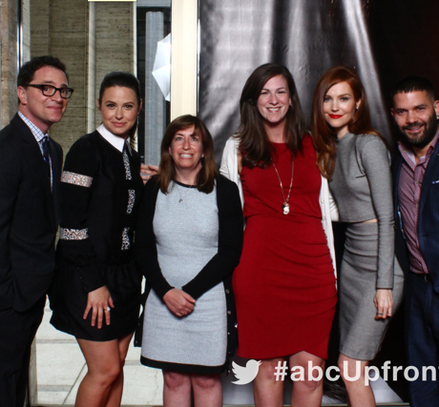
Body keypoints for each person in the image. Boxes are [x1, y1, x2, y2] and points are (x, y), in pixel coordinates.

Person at [220, 63, 337, 407]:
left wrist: (373, 215)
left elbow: (330, 204)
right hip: (260, 273)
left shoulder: (315, 143)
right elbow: (223, 208)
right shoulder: (237, 147)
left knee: (309, 370)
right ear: (253, 101)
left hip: (313, 270)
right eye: (264, 93)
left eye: (280, 91)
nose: (273, 100)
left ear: (291, 99)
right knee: (269, 368)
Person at [310, 65, 404, 406]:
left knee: (350, 366)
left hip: (380, 267)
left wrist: (384, 285)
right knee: (349, 366)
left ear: (358, 103)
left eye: (344, 98)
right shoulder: (332, 149)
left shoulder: (369, 144)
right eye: (328, 99)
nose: (335, 106)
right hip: (351, 265)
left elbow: (387, 219)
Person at [135, 115, 243, 407]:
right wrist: (167, 292)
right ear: (169, 148)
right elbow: (143, 247)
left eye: (194, 138)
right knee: (174, 379)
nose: (186, 145)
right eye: (178, 138)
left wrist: (189, 293)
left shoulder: (225, 190)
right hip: (162, 299)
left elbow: (230, 252)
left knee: (207, 380)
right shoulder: (154, 189)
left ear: (205, 149)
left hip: (207, 303)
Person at [50, 72, 144, 407]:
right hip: (86, 277)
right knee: (103, 370)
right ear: (99, 107)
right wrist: (93, 284)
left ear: (139, 109)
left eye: (127, 106)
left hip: (124, 278)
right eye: (111, 105)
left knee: (117, 370)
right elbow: (71, 226)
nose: (119, 114)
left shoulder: (131, 157)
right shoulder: (84, 150)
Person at [0, 56, 70, 407]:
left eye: (62, 90)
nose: (57, 96)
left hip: (31, 293)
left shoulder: (52, 151)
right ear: (22, 94)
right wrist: (7, 294)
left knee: (14, 376)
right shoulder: (7, 148)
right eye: (46, 88)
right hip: (9, 299)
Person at [391, 76, 439, 407]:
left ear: (436, 108)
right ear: (393, 115)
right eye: (402, 112)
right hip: (417, 294)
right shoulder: (394, 163)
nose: (412, 119)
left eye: (419, 108)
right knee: (424, 389)